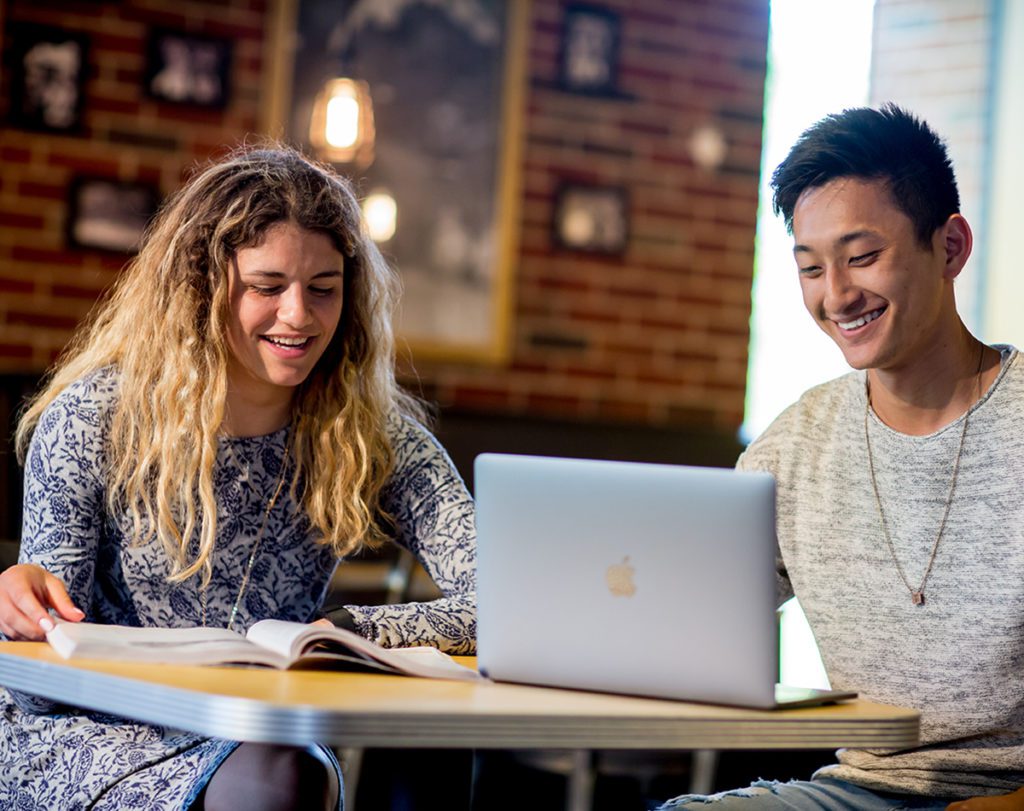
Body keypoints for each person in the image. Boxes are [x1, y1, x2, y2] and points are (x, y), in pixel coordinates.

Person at [0, 145, 476, 811]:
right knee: (284, 777)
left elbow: (505, 601)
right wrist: (21, 612)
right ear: (200, 287)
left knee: (397, 750)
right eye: (267, 285)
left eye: (323, 288)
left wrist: (340, 632)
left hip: (254, 726)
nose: (299, 316)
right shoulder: (92, 419)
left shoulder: (365, 433)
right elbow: (40, 686)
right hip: (93, 731)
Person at [660, 105, 1024, 810]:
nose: (837, 295)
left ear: (949, 246)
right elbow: (681, 615)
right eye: (810, 268)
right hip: (858, 791)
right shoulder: (798, 445)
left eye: (861, 257)